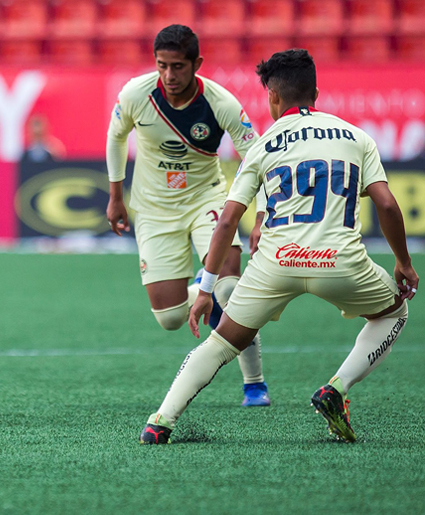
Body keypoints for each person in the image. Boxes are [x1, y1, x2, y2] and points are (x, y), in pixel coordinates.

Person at [140, 49, 417, 445]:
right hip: (340, 261)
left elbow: (228, 222)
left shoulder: (263, 145)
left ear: (272, 96)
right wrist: (403, 262)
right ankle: (337, 387)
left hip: (276, 264)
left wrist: (205, 291)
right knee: (394, 312)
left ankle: (160, 422)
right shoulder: (357, 137)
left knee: (220, 344)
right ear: (315, 93)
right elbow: (387, 205)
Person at [105, 24, 271, 407]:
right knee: (170, 318)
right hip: (153, 209)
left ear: (197, 63)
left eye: (178, 66)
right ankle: (201, 287)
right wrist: (115, 196)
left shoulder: (221, 103)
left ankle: (254, 384)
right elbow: (116, 136)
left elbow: (256, 158)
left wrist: (262, 215)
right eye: (162, 65)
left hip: (205, 200)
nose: (169, 75)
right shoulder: (135, 94)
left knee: (228, 287)